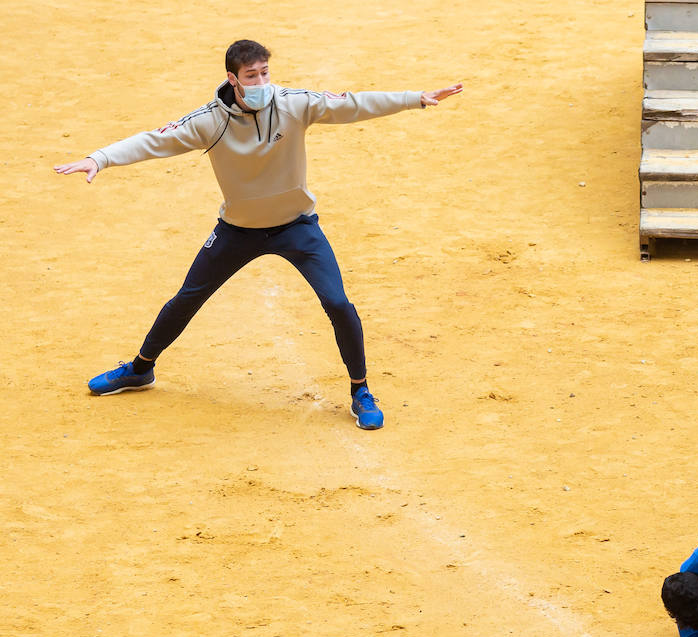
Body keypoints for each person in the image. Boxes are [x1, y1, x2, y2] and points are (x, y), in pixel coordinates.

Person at [54, 39, 463, 429]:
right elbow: (152, 142)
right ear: (233, 79)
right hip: (238, 231)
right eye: (252, 76)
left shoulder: (293, 104)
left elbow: (352, 104)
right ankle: (140, 369)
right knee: (187, 298)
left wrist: (415, 98)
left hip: (297, 227)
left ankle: (361, 392)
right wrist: (100, 158)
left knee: (338, 303)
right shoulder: (207, 122)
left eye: (265, 73)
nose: (262, 84)